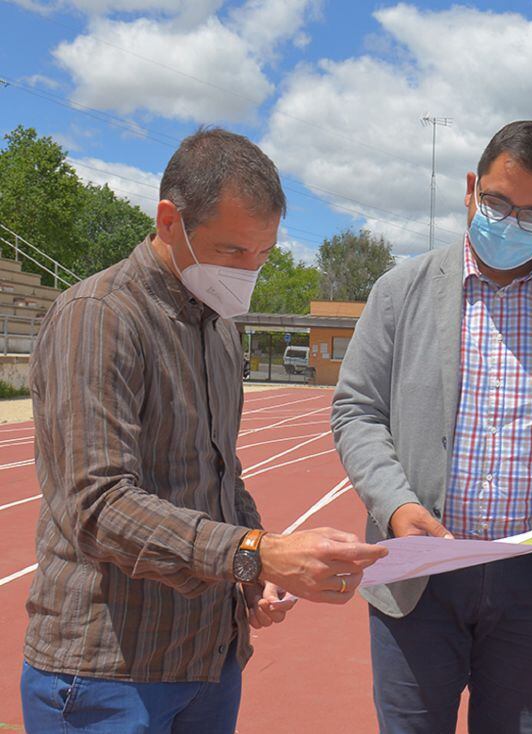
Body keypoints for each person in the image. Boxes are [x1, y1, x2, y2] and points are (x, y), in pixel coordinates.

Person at [21, 128, 387, 734]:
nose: (248, 270)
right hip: (109, 673)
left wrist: (254, 573)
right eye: (233, 251)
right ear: (170, 220)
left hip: (208, 659)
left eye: (262, 254)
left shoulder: (218, 329)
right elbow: (97, 504)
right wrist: (253, 553)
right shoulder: (100, 318)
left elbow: (221, 472)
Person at [331, 120, 532, 733]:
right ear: (471, 189)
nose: (510, 221)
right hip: (420, 570)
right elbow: (356, 410)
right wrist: (395, 505)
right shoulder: (400, 292)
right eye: (498, 202)